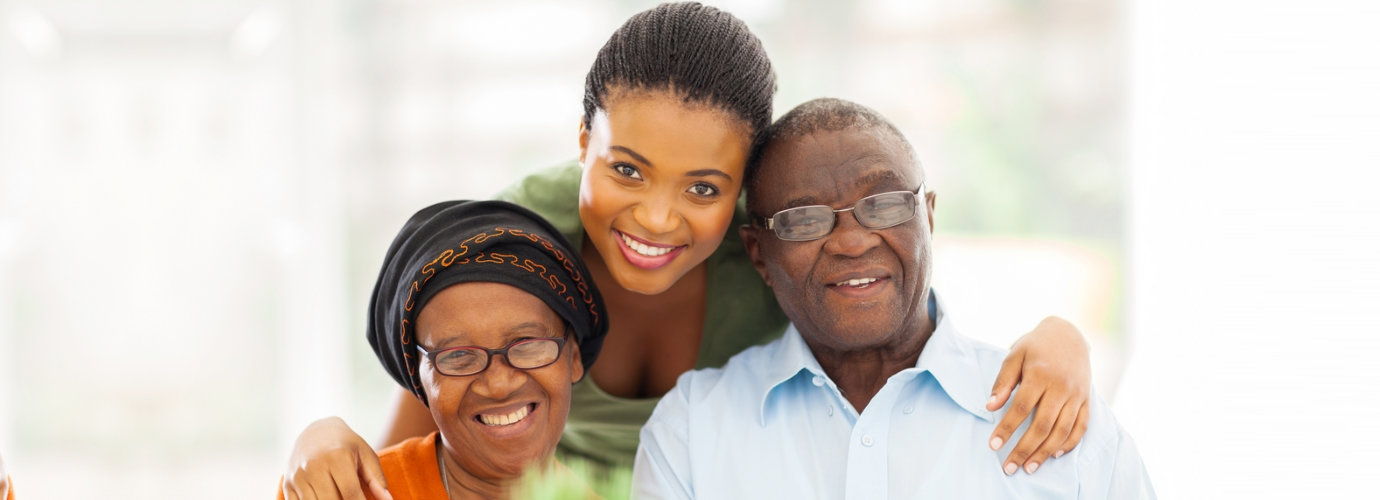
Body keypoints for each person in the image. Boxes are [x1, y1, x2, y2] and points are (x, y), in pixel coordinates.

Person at [282, 3, 1095, 498]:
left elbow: (891, 323)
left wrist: (1060, 339)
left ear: (744, 196)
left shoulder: (772, 256)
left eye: (703, 188)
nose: (657, 219)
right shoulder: (522, 243)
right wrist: (321, 437)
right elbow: (422, 442)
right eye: (627, 170)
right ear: (581, 145)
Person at [633, 98, 1154, 498]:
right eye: (804, 219)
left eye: (883, 203)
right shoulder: (692, 431)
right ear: (759, 255)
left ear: (927, 216)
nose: (852, 240)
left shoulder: (1055, 414)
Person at [280, 200, 608, 500]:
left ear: (573, 356)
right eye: (458, 356)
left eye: (528, 345)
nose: (499, 384)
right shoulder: (342, 491)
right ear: (419, 381)